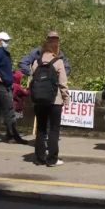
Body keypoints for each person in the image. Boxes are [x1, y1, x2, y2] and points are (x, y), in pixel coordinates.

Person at [30, 38, 70, 167]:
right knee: (54, 130)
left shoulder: (36, 62)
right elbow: (63, 83)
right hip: (55, 101)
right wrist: (66, 99)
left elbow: (31, 82)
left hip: (39, 101)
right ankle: (52, 159)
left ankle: (40, 158)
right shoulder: (58, 62)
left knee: (41, 129)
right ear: (55, 49)